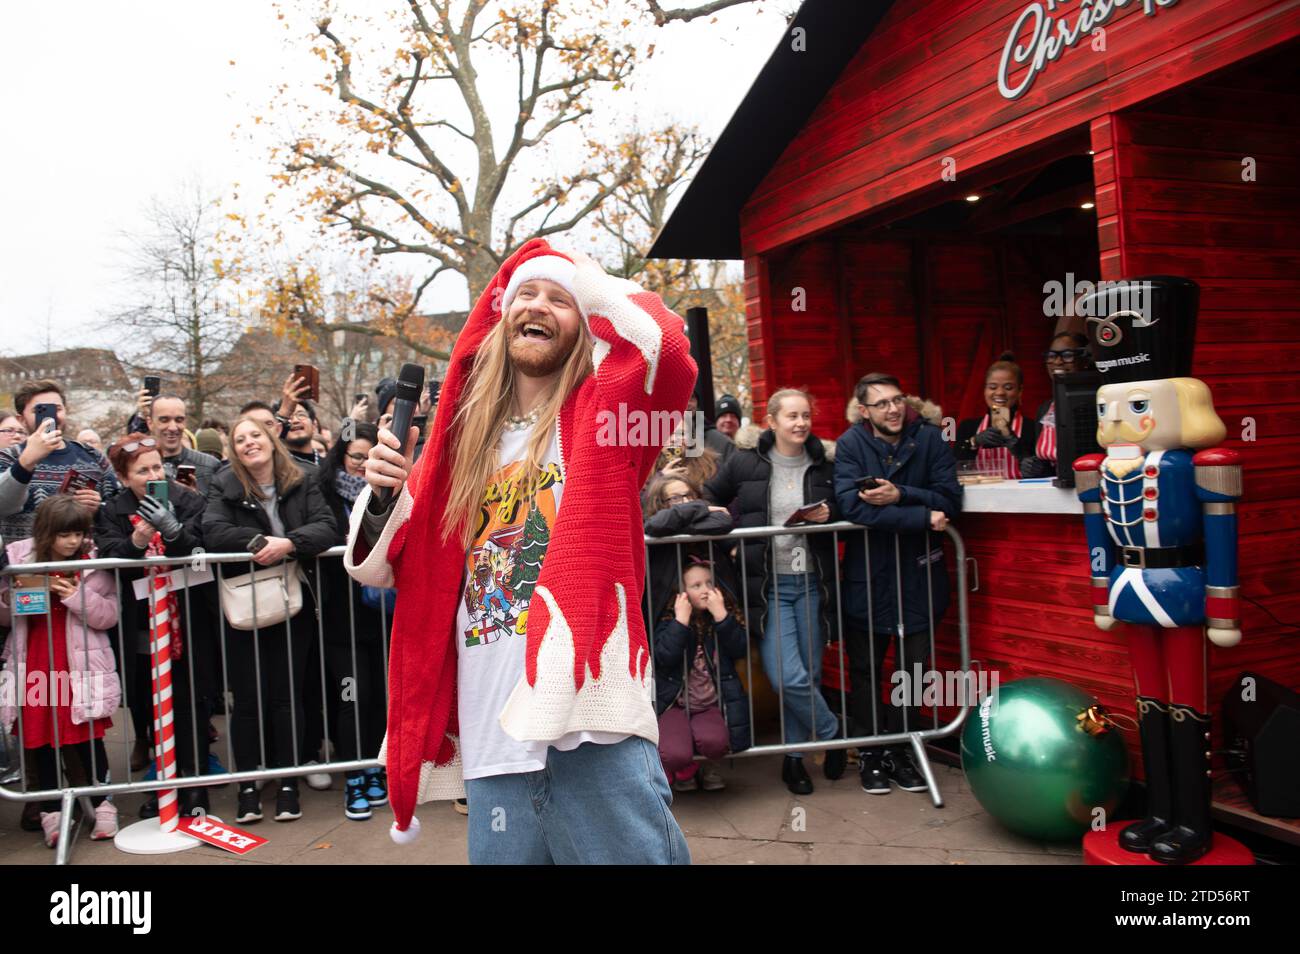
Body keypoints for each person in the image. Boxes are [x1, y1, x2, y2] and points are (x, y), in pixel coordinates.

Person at [345, 239, 695, 863]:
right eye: (525, 294)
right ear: (502, 316)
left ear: (586, 322)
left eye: (560, 300)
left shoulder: (605, 421)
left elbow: (663, 350)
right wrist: (382, 495)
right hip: (491, 734)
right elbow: (392, 562)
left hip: (587, 725)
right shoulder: (461, 447)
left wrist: (585, 276)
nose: (540, 305)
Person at [704, 388, 846, 795]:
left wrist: (830, 513)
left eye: (805, 415)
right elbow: (712, 497)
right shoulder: (746, 460)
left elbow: (844, 505)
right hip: (770, 586)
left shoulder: (824, 462)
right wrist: (731, 537)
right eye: (792, 416)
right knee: (788, 676)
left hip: (812, 582)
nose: (800, 423)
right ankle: (833, 733)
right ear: (772, 420)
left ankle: (796, 760)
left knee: (812, 673)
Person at [202, 415, 339, 824]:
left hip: (292, 603)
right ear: (234, 450)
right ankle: (248, 785)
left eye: (255, 436)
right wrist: (262, 544)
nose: (248, 443)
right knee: (246, 701)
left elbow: (327, 528)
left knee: (286, 696)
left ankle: (286, 783)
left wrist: (290, 544)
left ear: (270, 439)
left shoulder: (302, 479)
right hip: (245, 606)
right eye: (240, 439)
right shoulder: (223, 484)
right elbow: (212, 531)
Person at [834, 372, 962, 795]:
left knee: (914, 672)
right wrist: (920, 517)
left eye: (897, 400)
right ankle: (871, 753)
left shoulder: (929, 438)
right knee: (867, 670)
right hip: (868, 578)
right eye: (882, 403)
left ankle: (903, 750)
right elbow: (853, 507)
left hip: (920, 578)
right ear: (864, 411)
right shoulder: (852, 444)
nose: (892, 409)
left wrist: (901, 494)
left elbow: (950, 499)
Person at [95, 433, 214, 816]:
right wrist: (137, 540)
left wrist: (174, 532)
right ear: (124, 476)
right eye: (141, 470)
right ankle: (162, 782)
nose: (151, 475)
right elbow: (108, 553)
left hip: (187, 615)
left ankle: (194, 782)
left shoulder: (188, 499)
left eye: (156, 467)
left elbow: (201, 548)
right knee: (151, 701)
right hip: (140, 621)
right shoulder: (113, 509)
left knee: (189, 699)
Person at [0, 495, 121, 848]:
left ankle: (102, 803)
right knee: (40, 738)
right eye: (64, 534)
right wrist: (11, 598)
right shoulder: (19, 557)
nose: (72, 542)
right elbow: (6, 614)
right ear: (46, 532)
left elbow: (108, 616)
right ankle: (52, 811)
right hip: (35, 661)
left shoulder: (96, 561)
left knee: (86, 735)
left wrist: (75, 595)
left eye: (79, 534)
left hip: (80, 665)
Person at [317, 422, 389, 821]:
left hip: (381, 615)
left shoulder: (391, 490)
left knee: (379, 696)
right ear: (341, 457)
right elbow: (315, 532)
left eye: (369, 456)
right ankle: (355, 775)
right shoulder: (325, 493)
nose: (362, 464)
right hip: (341, 619)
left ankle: (377, 768)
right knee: (351, 698)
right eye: (355, 456)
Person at [653, 560, 749, 793]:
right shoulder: (670, 619)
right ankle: (685, 768)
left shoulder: (719, 617)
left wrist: (722, 617)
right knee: (675, 752)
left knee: (715, 742)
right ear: (682, 593)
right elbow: (664, 657)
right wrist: (680, 622)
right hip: (674, 704)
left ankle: (708, 767)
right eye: (696, 585)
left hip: (707, 704)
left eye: (709, 583)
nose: (705, 590)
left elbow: (740, 649)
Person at [0, 380, 118, 545]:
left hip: (81, 565)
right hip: (27, 566)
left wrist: (98, 507)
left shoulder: (93, 457)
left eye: (57, 409)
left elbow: (118, 509)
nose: (51, 416)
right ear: (21, 420)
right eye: (40, 410)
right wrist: (26, 462)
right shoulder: (7, 457)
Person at [955, 353, 1041, 479]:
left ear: (1020, 391)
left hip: (1022, 496)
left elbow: (1042, 470)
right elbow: (955, 465)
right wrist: (974, 441)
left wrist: (1018, 448)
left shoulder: (1032, 427)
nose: (1000, 392)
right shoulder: (967, 427)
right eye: (993, 387)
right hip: (979, 496)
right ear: (985, 390)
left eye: (1008, 387)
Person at [1020, 332, 1092, 477]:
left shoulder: (1094, 402)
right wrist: (1034, 466)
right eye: (1052, 356)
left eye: (1067, 355)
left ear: (1084, 360)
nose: (1058, 362)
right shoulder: (1045, 409)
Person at [128, 393, 221, 493]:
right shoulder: (136, 467)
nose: (173, 427)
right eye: (164, 420)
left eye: (179, 420)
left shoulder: (209, 466)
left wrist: (195, 498)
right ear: (150, 423)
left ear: (185, 422)